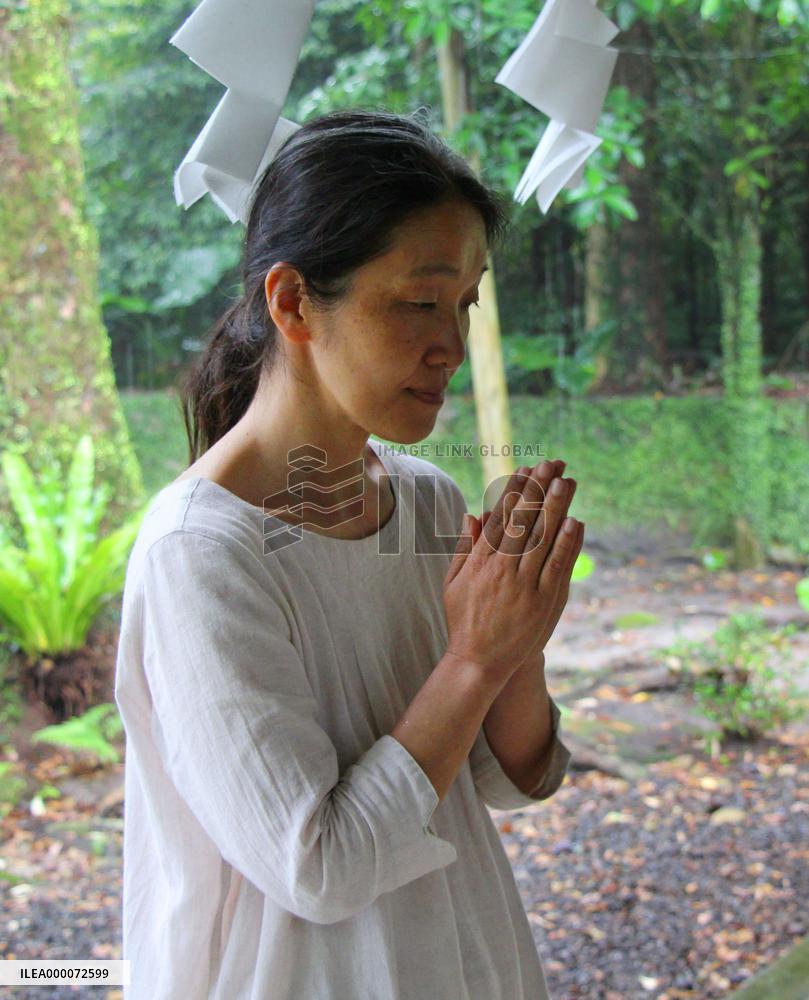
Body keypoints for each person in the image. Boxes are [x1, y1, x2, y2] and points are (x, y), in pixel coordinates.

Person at [114, 107, 584, 1000]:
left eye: (465, 303)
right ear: (292, 302)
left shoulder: (429, 499)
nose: (450, 344)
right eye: (418, 301)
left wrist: (517, 627)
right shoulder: (201, 554)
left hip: (465, 960)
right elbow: (318, 867)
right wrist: (474, 658)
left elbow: (509, 779)